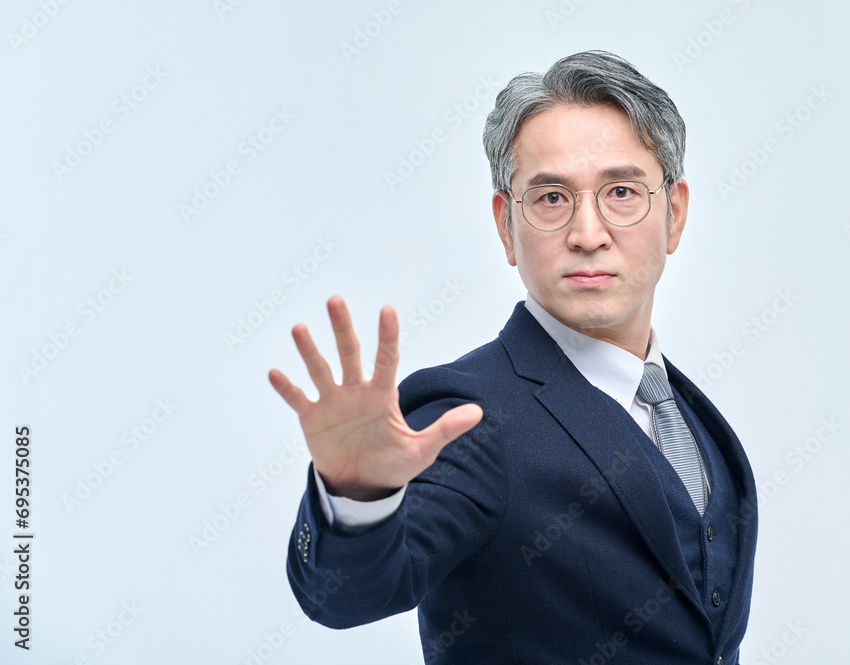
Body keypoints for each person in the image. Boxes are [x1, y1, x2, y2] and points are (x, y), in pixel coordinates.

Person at [269, 50, 758, 665]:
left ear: (675, 214)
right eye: (551, 198)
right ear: (506, 226)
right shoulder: (470, 418)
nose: (588, 231)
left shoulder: (691, 414)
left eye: (622, 191)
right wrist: (357, 496)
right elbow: (347, 596)